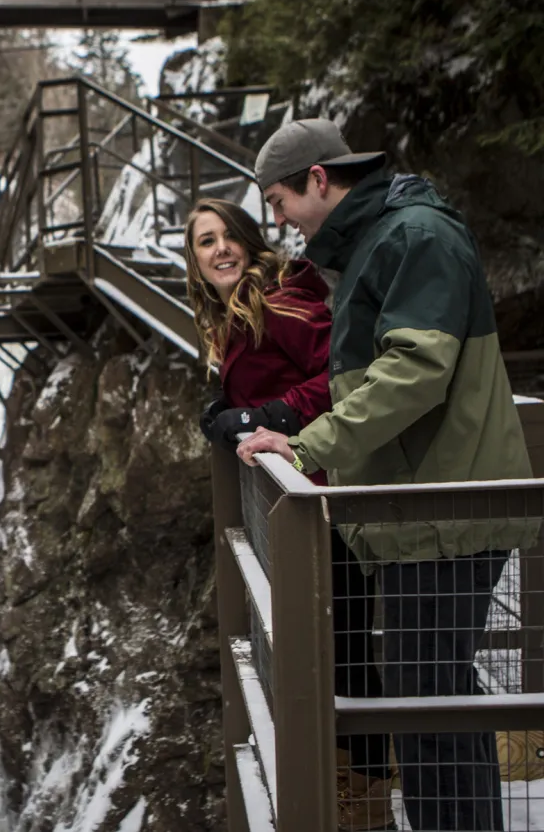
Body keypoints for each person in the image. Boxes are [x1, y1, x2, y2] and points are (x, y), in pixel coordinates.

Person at [238, 118, 535, 831]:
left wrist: (307, 447)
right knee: (436, 699)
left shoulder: (413, 237)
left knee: (426, 702)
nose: (275, 220)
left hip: (440, 512)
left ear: (318, 180)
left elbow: (415, 372)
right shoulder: (385, 239)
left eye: (278, 201)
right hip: (424, 507)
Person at [187, 198, 395, 831]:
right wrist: (224, 404)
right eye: (204, 242)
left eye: (228, 237)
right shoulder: (239, 310)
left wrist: (263, 416)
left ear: (249, 242)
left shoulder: (277, 299)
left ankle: (367, 797)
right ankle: (351, 783)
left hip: (325, 496)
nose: (220, 249)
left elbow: (340, 373)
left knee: (346, 647)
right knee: (335, 645)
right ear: (193, 262)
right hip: (304, 498)